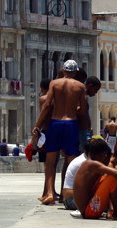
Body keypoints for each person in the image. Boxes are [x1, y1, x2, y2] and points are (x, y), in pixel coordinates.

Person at [33, 59, 87, 205]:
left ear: (63, 71)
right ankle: (68, 193)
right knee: (71, 160)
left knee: (50, 161)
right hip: (71, 123)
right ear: (75, 72)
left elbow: (47, 105)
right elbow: (82, 110)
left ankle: (50, 193)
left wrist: (37, 125)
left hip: (55, 122)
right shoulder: (80, 86)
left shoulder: (54, 84)